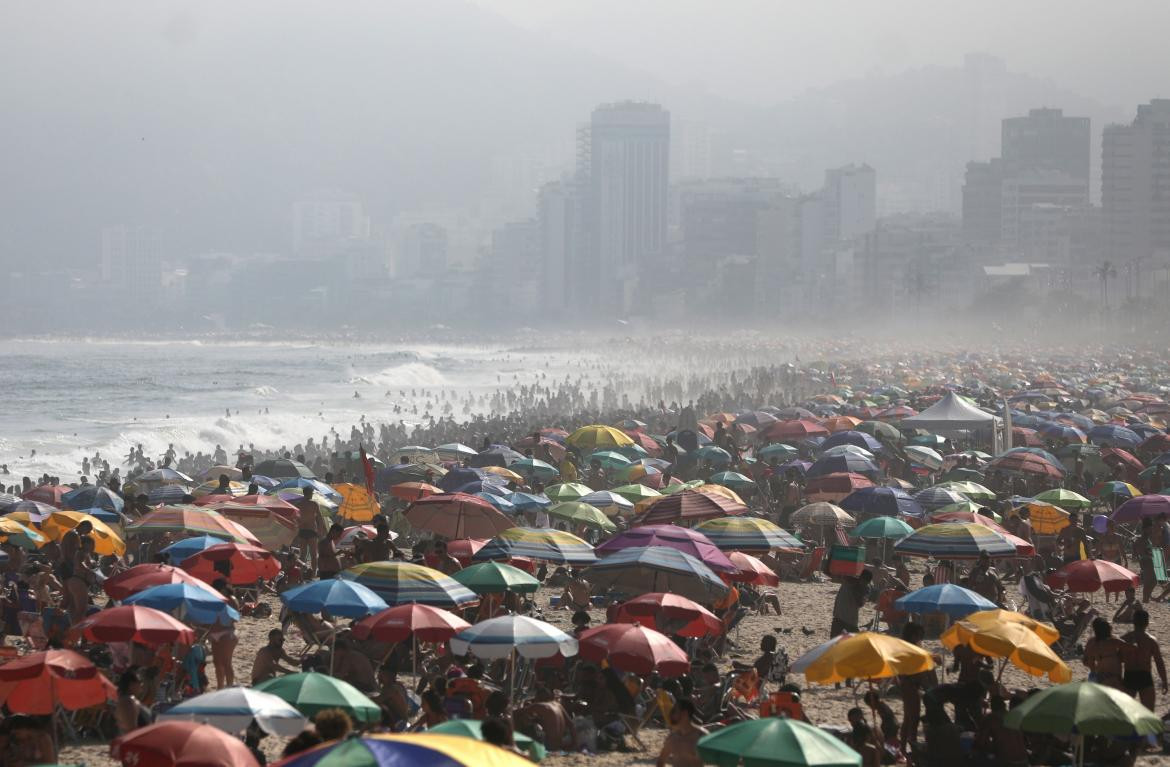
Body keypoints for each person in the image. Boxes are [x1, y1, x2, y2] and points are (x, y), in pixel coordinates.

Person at [1121, 608, 1167, 711]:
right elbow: (1159, 663)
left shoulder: (1124, 639)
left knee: (1125, 712)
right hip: (1145, 676)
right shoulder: (1151, 641)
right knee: (1149, 713)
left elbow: (1118, 660)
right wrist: (1164, 680)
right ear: (1147, 623)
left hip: (1129, 675)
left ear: (1133, 622)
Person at [516, 686, 576, 752]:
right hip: (559, 745)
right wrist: (573, 744)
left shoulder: (540, 705)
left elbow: (518, 712)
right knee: (536, 722)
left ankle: (514, 744)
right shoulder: (558, 705)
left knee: (524, 722)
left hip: (548, 746)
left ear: (537, 697)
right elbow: (571, 724)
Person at [656, 698, 707, 767]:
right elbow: (661, 761)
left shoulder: (701, 736)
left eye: (675, 711)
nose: (671, 715)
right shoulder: (672, 737)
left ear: (685, 713)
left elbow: (720, 759)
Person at [1083, 617, 1127, 689]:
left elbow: (1085, 661)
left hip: (1098, 676)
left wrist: (1094, 668)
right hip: (1113, 677)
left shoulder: (1092, 642)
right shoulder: (1114, 641)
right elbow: (1130, 650)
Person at [291, 487, 325, 573]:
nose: (312, 495)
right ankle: (313, 572)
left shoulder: (298, 504)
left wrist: (298, 526)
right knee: (313, 554)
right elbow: (320, 519)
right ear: (309, 494)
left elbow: (295, 518)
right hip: (312, 530)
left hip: (302, 530)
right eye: (312, 493)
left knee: (303, 554)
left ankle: (301, 572)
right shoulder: (314, 504)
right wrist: (321, 531)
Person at [831, 570, 872, 637]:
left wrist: (856, 587)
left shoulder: (865, 588)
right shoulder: (848, 580)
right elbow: (833, 577)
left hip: (847, 620)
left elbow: (860, 603)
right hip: (841, 618)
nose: (863, 583)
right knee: (834, 644)